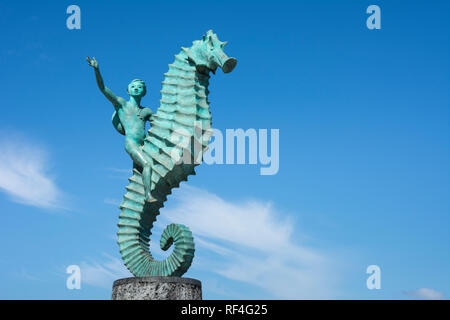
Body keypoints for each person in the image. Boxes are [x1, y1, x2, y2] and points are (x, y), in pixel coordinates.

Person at [86, 56, 156, 202]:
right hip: (131, 143)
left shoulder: (147, 111)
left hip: (145, 145)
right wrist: (97, 70)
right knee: (147, 165)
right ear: (128, 91)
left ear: (144, 92)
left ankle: (139, 197)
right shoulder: (122, 105)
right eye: (133, 86)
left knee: (138, 174)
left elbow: (159, 127)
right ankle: (148, 195)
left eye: (140, 87)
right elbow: (103, 89)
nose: (136, 88)